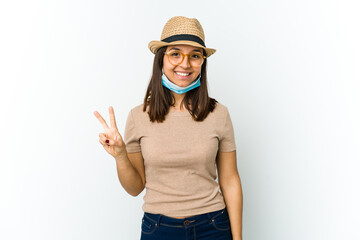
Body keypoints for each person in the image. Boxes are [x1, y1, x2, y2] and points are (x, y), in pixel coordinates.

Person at [94, 16, 243, 240]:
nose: (185, 64)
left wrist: (238, 238)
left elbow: (230, 180)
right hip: (159, 229)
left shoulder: (219, 114)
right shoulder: (138, 117)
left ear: (202, 62)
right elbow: (135, 188)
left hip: (213, 226)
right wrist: (121, 155)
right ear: (161, 59)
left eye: (194, 56)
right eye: (175, 53)